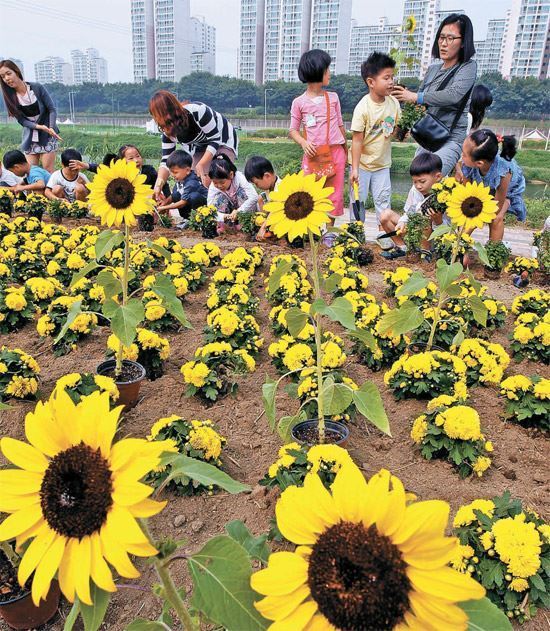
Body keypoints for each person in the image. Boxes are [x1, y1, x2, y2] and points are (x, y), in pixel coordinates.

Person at [392, 14, 477, 176]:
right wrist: (401, 96)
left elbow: (453, 95)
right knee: (418, 180)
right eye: (441, 37)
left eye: (450, 38)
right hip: (429, 136)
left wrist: (416, 96)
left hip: (451, 138)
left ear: (463, 42)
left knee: (430, 178)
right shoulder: (432, 69)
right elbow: (419, 104)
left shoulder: (468, 67)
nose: (444, 43)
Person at [289, 49, 347, 239]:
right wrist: (304, 143)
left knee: (335, 195)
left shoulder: (333, 97)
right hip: (313, 155)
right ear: (317, 71)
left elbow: (340, 126)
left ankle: (328, 236)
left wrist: (347, 153)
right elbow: (292, 130)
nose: (330, 73)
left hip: (335, 153)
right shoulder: (299, 102)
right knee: (308, 194)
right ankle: (309, 234)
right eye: (327, 69)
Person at [149, 91, 238, 198]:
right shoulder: (167, 131)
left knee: (218, 174)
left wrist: (201, 165)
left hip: (223, 139)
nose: (160, 120)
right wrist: (159, 184)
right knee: (195, 182)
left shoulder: (198, 111)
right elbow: (166, 161)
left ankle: (232, 204)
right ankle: (204, 212)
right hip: (199, 145)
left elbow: (215, 140)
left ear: (173, 108)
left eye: (162, 115)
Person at [349, 52, 401, 229]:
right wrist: (354, 169)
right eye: (386, 78)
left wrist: (400, 132)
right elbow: (356, 141)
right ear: (371, 82)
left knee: (383, 202)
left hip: (382, 164)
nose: (391, 82)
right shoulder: (363, 108)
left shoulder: (393, 103)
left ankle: (383, 237)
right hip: (362, 165)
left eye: (392, 77)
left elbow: (396, 129)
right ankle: (356, 235)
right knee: (358, 201)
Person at [460, 129, 526, 241]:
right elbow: (468, 194)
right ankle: (458, 248)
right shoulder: (467, 164)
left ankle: (493, 253)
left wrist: (477, 219)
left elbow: (496, 207)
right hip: (484, 188)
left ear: (479, 163)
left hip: (508, 192)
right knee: (465, 216)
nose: (461, 156)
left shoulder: (503, 172)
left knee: (496, 218)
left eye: (464, 154)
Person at [0, 60, 62, 173]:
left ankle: (49, 190)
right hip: (30, 137)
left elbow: (51, 109)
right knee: (31, 172)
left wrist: (51, 127)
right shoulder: (10, 97)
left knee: (48, 170)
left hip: (47, 134)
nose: (7, 78)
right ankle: (35, 191)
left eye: (8, 73)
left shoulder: (36, 88)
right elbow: (22, 121)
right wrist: (39, 126)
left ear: (16, 72)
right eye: (3, 77)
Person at [379, 153, 444, 260]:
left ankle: (425, 254)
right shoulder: (415, 190)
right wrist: (402, 222)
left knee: (425, 217)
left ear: (437, 177)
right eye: (414, 182)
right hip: (416, 233)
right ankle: (403, 248)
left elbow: (448, 228)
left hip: (437, 238)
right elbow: (409, 212)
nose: (418, 186)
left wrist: (438, 221)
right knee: (385, 215)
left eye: (422, 181)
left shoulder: (445, 194)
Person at [206, 155, 258, 234]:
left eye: (222, 182)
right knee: (219, 198)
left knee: (241, 193)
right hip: (229, 215)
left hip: (243, 211)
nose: (219, 186)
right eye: (215, 182)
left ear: (231, 175)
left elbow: (254, 197)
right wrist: (223, 216)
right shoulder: (213, 186)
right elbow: (210, 208)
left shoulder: (240, 178)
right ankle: (225, 226)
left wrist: (239, 211)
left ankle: (245, 224)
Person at [157, 150, 208, 223]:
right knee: (176, 195)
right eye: (171, 172)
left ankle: (199, 220)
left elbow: (182, 203)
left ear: (187, 170)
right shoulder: (180, 179)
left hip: (204, 206)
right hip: (188, 204)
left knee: (194, 196)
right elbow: (174, 196)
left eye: (175, 172)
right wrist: (165, 202)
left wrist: (164, 207)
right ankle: (187, 219)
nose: (172, 175)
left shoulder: (192, 182)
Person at [244, 155, 281, 241]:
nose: (256, 186)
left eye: (256, 183)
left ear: (267, 176)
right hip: (273, 218)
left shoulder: (280, 188)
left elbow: (275, 210)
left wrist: (263, 228)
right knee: (260, 197)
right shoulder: (270, 187)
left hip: (286, 218)